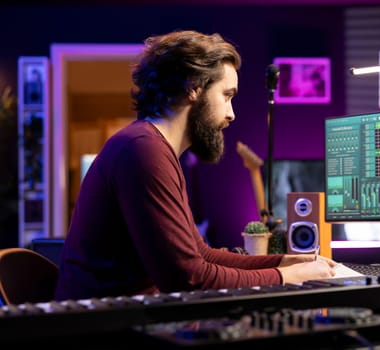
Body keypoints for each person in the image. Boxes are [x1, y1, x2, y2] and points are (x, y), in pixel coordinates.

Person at [54, 30, 336, 301]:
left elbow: (202, 255)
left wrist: (285, 261)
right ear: (193, 88)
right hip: (105, 330)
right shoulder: (143, 150)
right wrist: (289, 276)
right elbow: (189, 278)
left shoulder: (153, 147)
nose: (231, 114)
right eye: (227, 96)